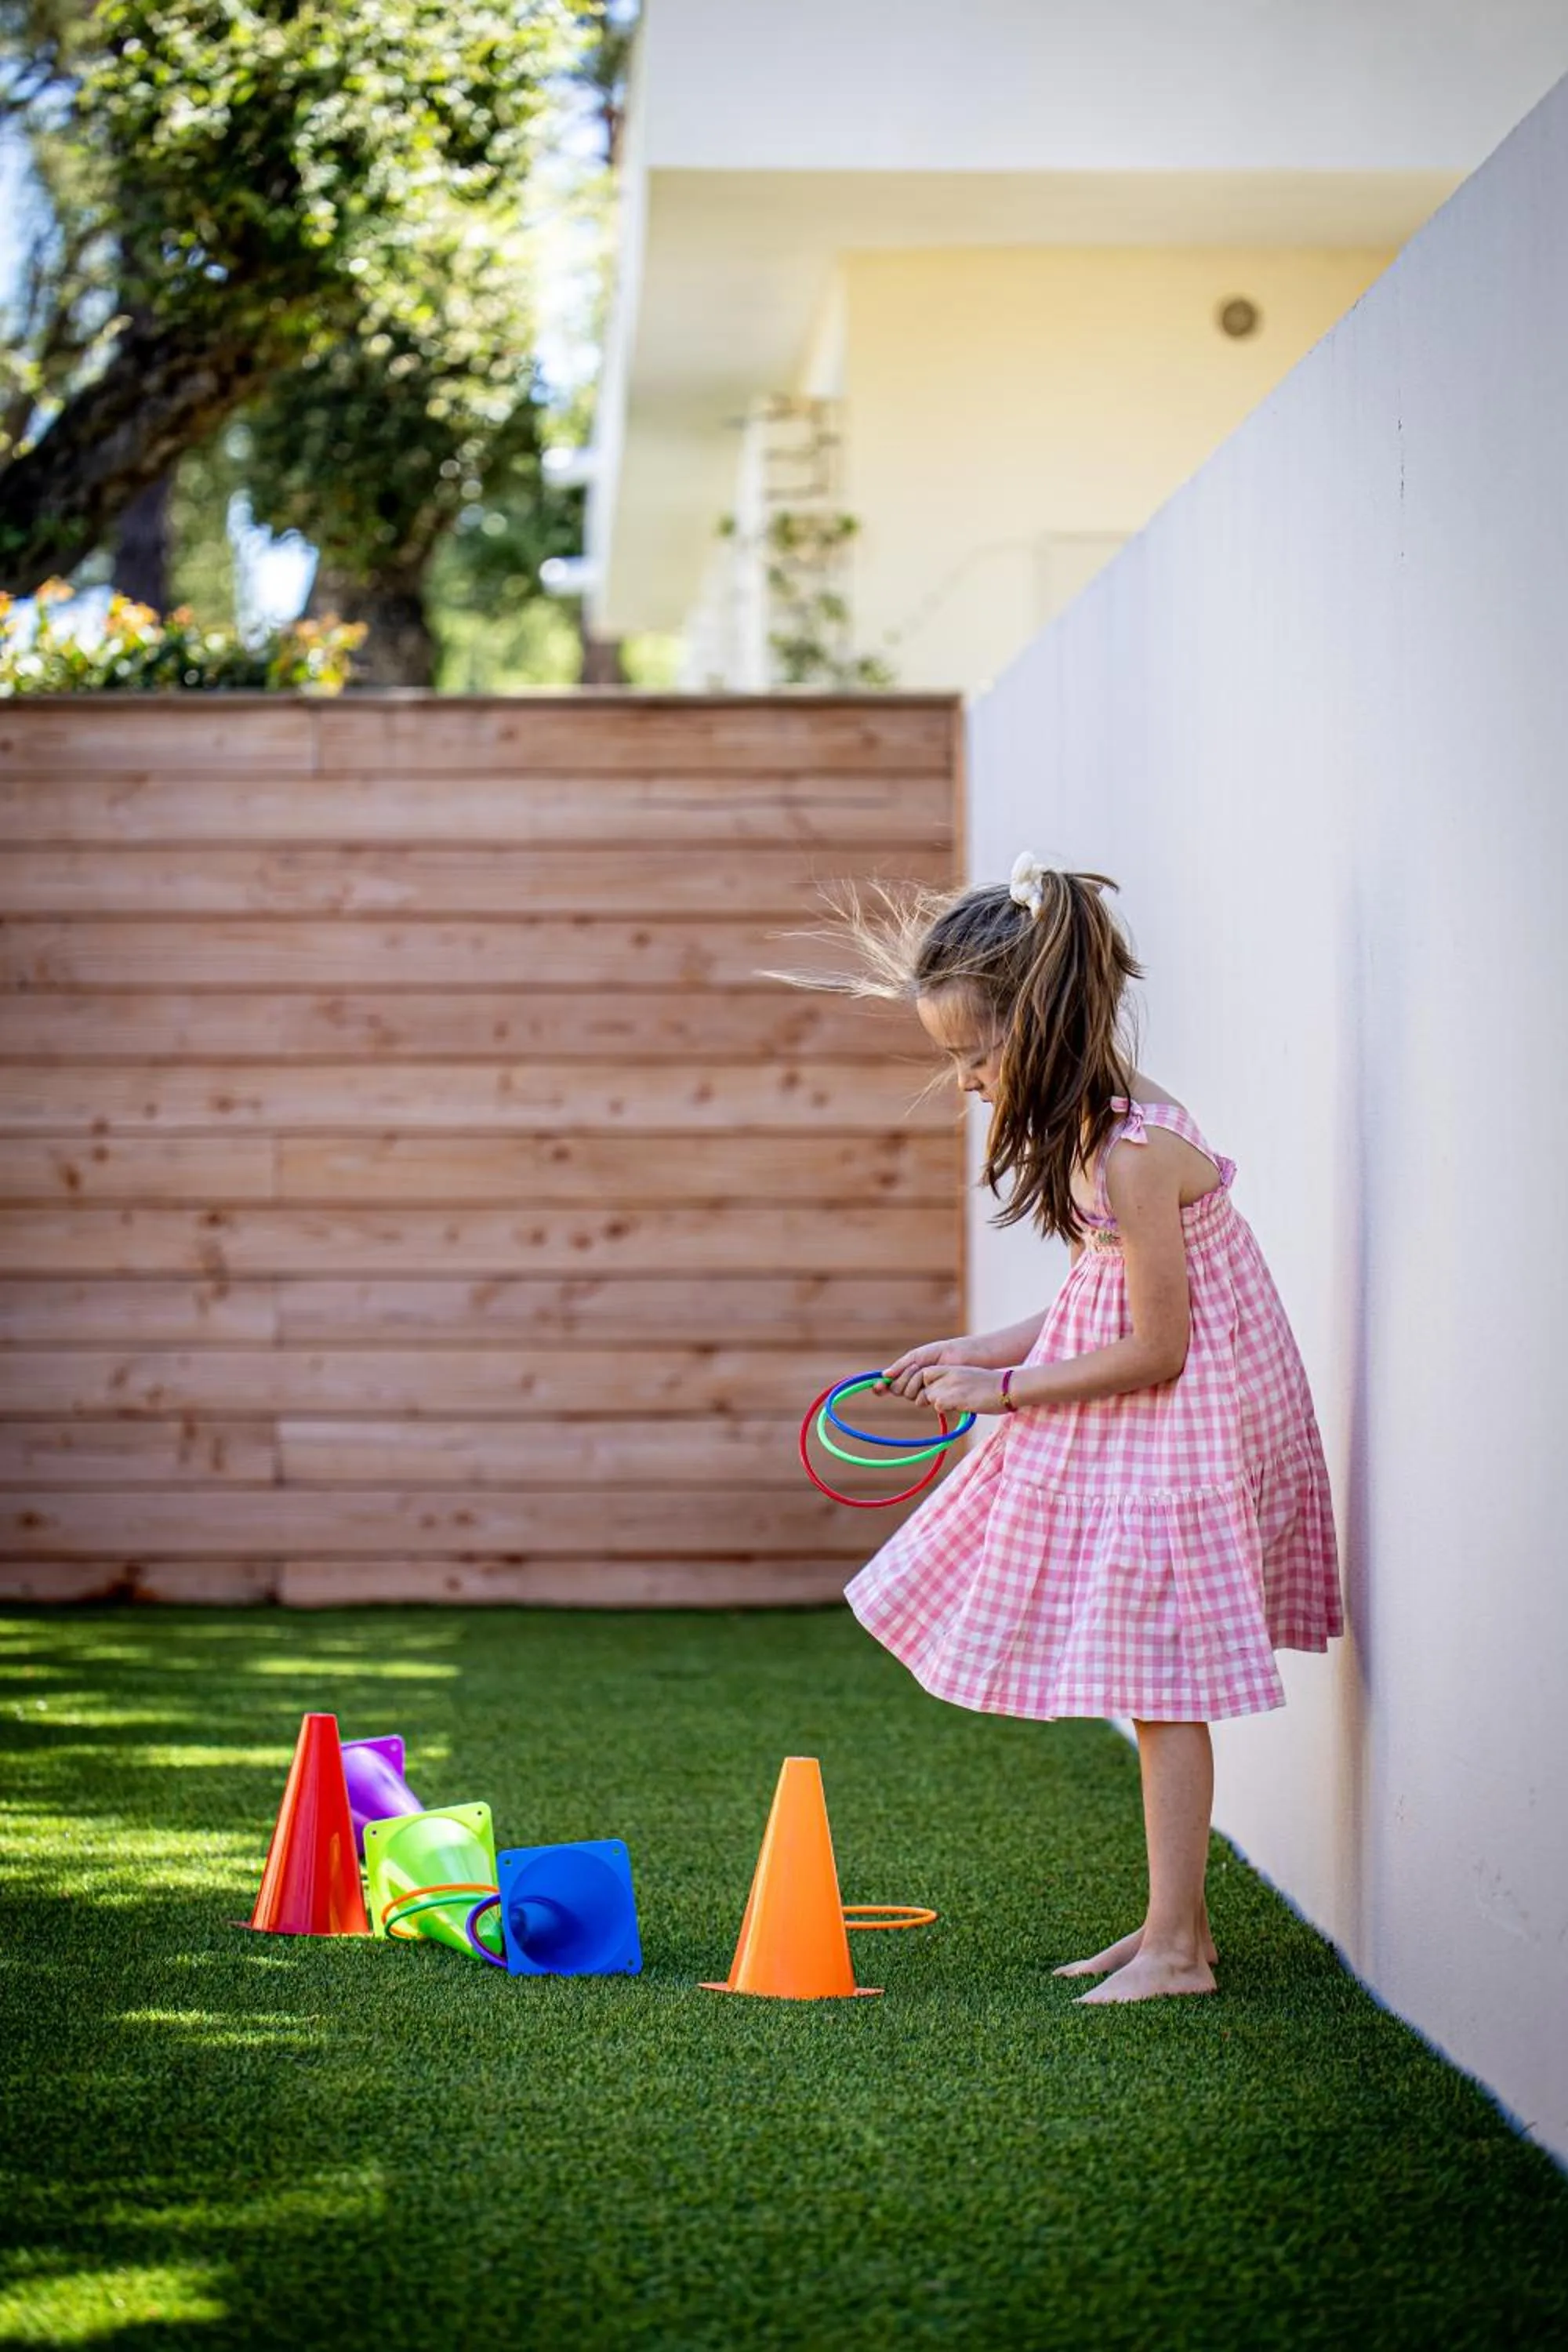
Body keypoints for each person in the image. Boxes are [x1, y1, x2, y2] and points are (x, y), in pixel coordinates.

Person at [826, 854, 1341, 2003]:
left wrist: (1002, 1399)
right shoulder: (1096, 1135)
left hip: (1187, 1430)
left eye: (974, 1052)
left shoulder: (1134, 1152)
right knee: (1154, 1679)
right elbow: (1087, 1306)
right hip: (1158, 1424)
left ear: (1045, 1025)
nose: (963, 1080)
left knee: (1165, 1688)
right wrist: (978, 1350)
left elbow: (1157, 1346)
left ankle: (1176, 1951)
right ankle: (1178, 1930)